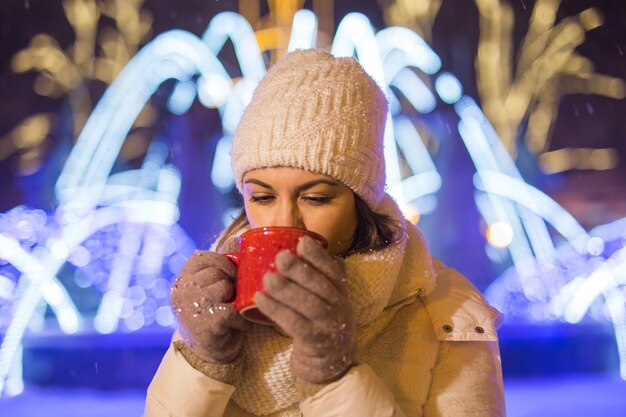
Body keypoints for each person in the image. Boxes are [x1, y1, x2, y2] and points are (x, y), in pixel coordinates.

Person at [144, 49, 506, 417]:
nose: (285, 222)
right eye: (263, 196)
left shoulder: (446, 309)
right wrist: (202, 361)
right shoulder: (217, 302)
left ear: (360, 200)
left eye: (315, 198)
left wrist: (333, 374)